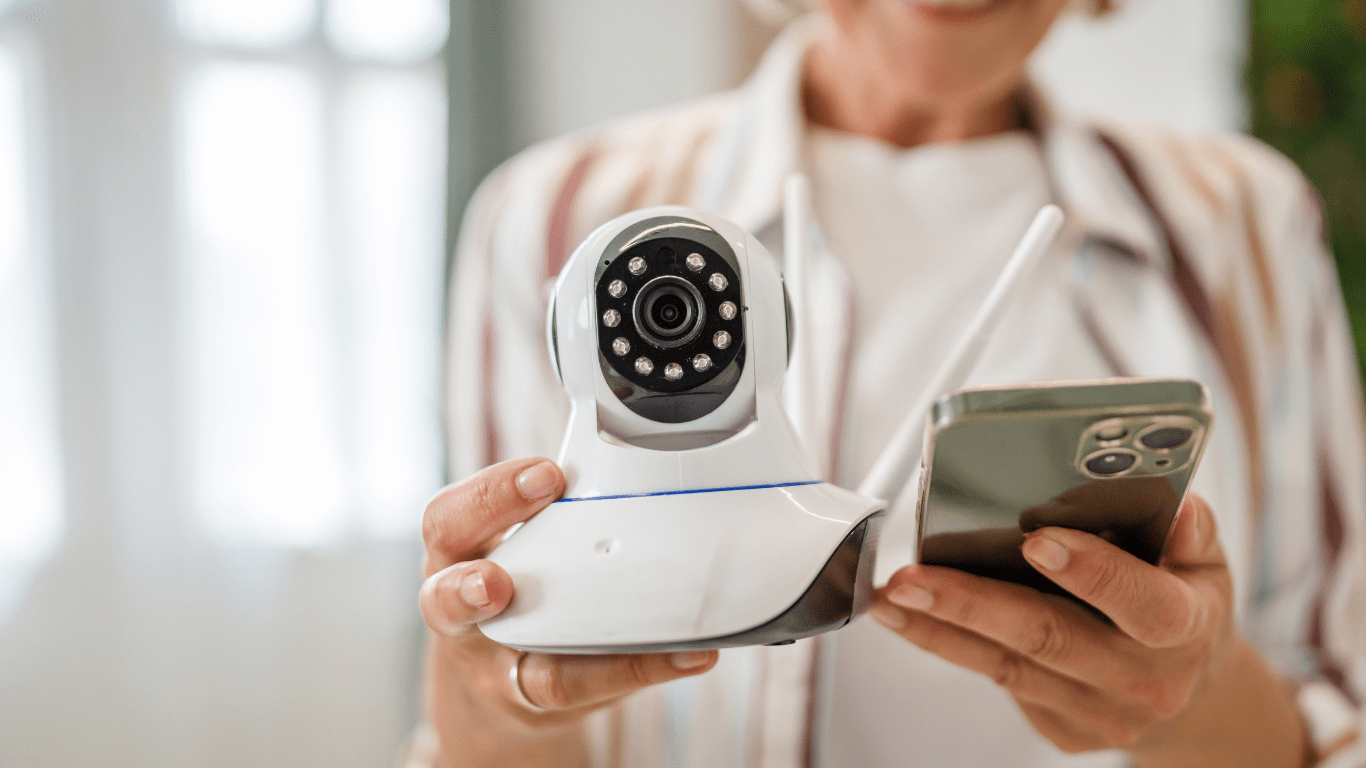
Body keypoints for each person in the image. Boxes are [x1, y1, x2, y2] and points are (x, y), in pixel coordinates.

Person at [414, 2, 1366, 766]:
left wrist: (1186, 711)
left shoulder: (1241, 223)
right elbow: (488, 716)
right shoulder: (552, 217)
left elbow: (1332, 703)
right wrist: (486, 694)